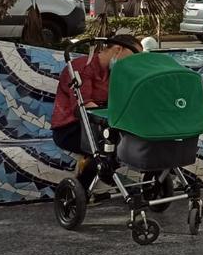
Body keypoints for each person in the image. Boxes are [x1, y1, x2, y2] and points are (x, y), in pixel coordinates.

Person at [51, 35, 141, 187]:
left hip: (103, 126)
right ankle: (83, 187)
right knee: (111, 148)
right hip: (72, 128)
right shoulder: (82, 67)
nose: (135, 63)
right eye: (133, 57)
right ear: (118, 50)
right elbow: (84, 104)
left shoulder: (116, 73)